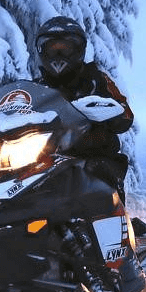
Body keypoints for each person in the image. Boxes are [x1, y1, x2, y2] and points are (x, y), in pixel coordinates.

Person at [33, 16, 134, 203]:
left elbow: (125, 115)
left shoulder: (96, 80)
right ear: (42, 51)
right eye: (53, 50)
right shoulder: (35, 89)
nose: (59, 56)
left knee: (101, 177)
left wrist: (108, 111)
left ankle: (110, 226)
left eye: (65, 49)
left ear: (79, 50)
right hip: (45, 160)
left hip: (92, 157)